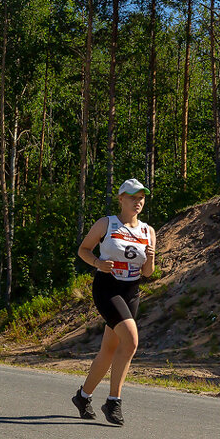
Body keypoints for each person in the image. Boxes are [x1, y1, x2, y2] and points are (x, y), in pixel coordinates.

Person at [71, 178, 156, 426]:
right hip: (107, 287)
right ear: (121, 199)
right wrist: (98, 263)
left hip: (131, 290)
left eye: (141, 198)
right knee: (131, 340)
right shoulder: (107, 223)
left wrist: (151, 258)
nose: (137, 202)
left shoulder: (148, 231)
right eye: (132, 197)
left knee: (109, 350)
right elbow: (83, 250)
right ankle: (113, 401)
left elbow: (148, 273)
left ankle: (83, 396)